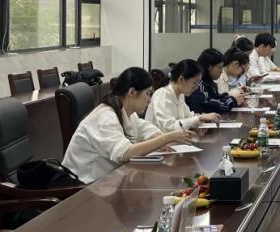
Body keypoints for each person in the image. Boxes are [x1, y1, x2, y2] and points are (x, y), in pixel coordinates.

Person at [63, 67, 194, 184]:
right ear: (131, 92)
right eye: (148, 93)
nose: (150, 100)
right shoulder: (106, 117)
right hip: (84, 187)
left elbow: (144, 128)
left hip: (107, 182)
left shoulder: (125, 112)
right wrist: (167, 138)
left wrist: (160, 137)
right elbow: (126, 154)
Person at [149, 59, 222, 131]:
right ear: (181, 79)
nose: (196, 87)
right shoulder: (163, 94)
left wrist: (203, 117)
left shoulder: (180, 94)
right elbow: (169, 127)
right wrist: (199, 118)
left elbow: (188, 116)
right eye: (194, 83)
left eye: (198, 84)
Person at [186, 49, 239, 114]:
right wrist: (231, 101)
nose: (221, 71)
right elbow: (208, 106)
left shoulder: (210, 83)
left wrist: (229, 99)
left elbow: (217, 98)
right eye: (219, 67)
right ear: (209, 67)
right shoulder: (198, 83)